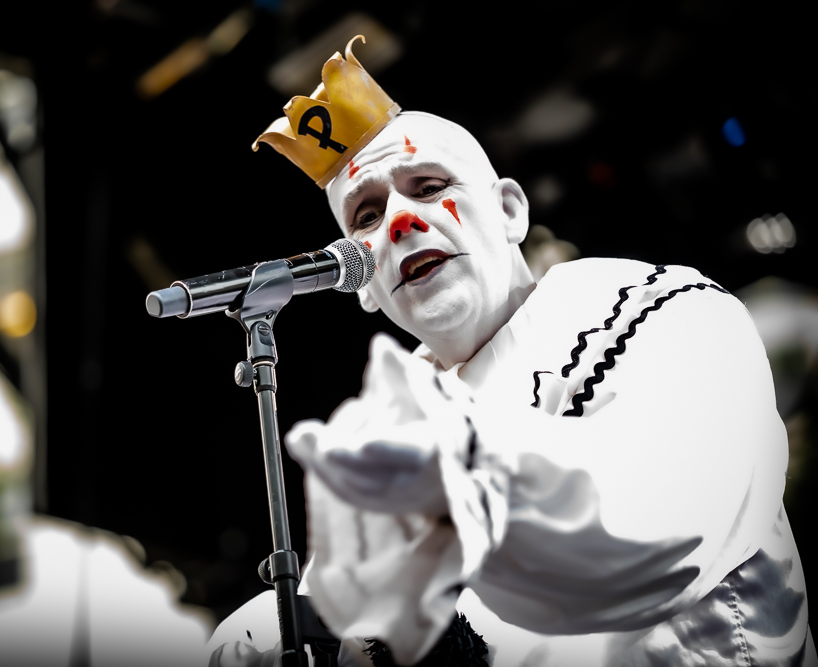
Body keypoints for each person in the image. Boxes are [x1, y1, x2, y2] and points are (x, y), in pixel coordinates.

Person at [207, 37, 814, 666]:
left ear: (509, 211)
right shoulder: (392, 432)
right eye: (366, 215)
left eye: (429, 185)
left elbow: (647, 547)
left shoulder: (670, 313)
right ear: (362, 286)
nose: (399, 222)